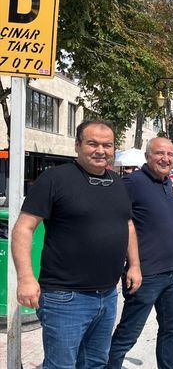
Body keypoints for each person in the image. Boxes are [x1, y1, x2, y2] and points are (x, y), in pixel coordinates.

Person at [11, 119, 142, 368]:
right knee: (61, 365)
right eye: (92, 143)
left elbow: (127, 225)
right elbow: (23, 228)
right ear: (77, 145)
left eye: (107, 145)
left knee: (95, 362)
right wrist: (26, 278)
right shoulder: (54, 179)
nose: (101, 150)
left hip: (107, 294)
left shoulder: (117, 183)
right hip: (65, 298)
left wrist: (134, 264)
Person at [108, 137, 173, 369]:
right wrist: (132, 265)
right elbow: (121, 223)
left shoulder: (168, 183)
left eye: (170, 155)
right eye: (159, 153)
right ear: (147, 156)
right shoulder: (132, 183)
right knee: (128, 334)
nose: (165, 159)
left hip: (171, 274)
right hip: (146, 274)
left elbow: (169, 223)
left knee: (171, 328)